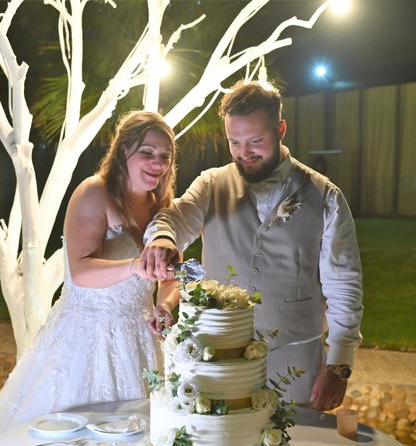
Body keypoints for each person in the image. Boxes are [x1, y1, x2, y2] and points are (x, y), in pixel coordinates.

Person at [0, 111, 180, 446]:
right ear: (124, 150)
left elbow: (172, 272)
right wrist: (136, 266)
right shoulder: (94, 193)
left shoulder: (162, 205)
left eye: (165, 156)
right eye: (147, 152)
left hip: (141, 340)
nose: (158, 163)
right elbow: (80, 271)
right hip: (86, 338)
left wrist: (165, 304)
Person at [140, 81, 363, 412]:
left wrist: (338, 364)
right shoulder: (210, 185)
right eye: (235, 142)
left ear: (281, 129)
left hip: (296, 360)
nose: (245, 153)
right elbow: (172, 219)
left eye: (256, 141)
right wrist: (161, 238)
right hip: (218, 358)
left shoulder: (324, 195)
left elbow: (344, 284)